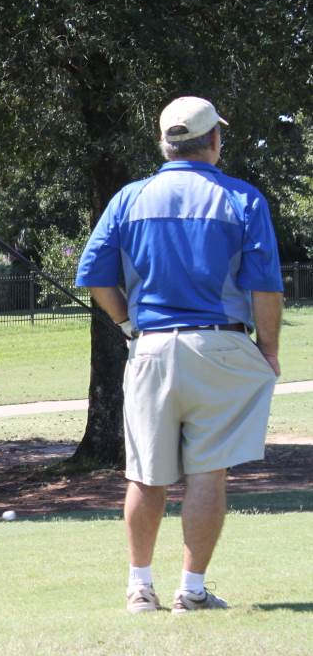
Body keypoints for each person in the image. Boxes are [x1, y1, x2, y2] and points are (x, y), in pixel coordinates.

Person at [76, 96, 283, 614]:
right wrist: (269, 350)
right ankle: (191, 590)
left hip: (151, 347)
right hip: (221, 343)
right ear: (213, 140)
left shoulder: (129, 198)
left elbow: (95, 276)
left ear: (165, 143)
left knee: (146, 472)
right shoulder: (242, 199)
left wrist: (126, 324)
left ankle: (140, 588)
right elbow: (265, 289)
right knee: (209, 471)